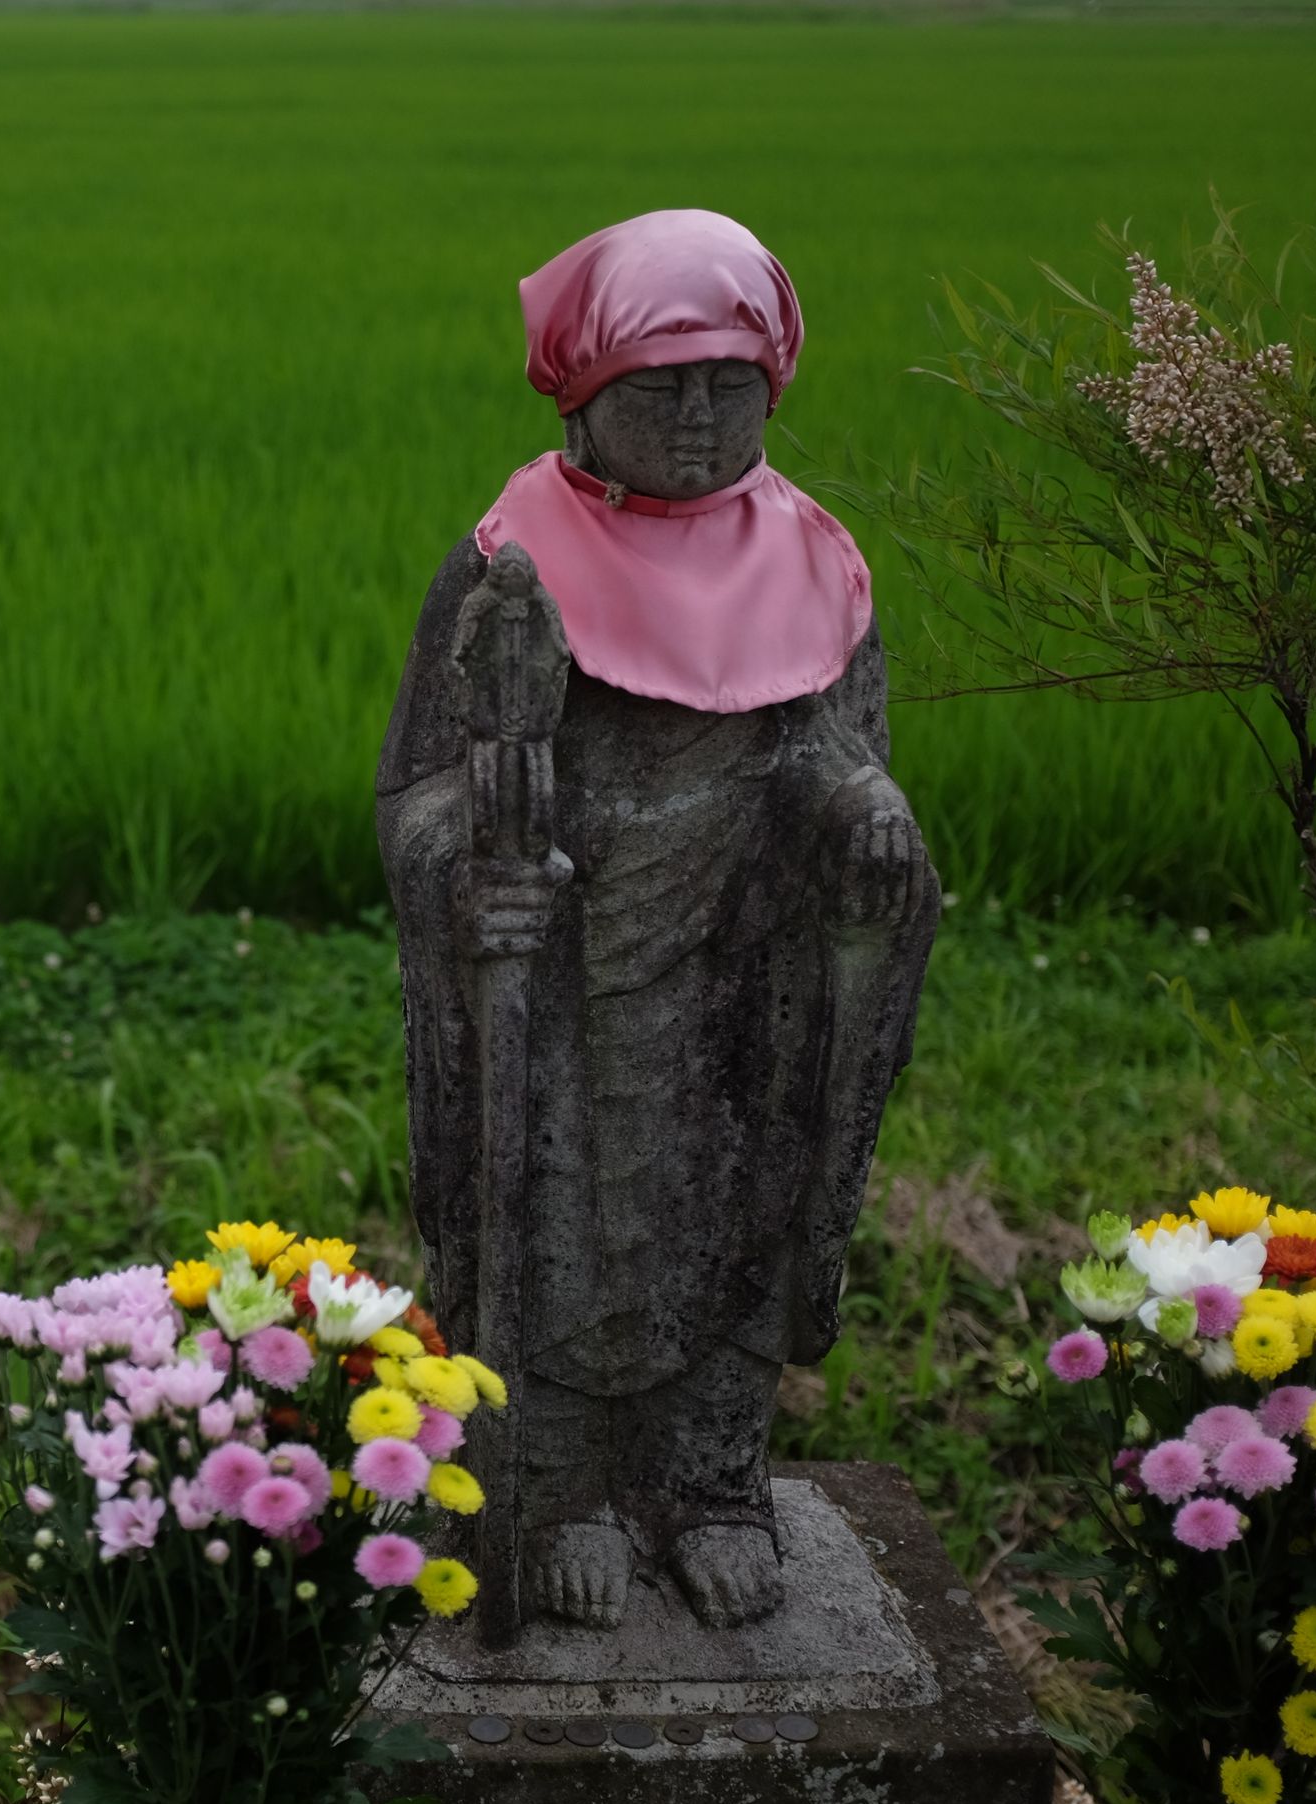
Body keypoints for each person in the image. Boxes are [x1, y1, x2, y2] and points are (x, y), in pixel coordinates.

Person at [376, 209, 938, 1631]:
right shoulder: (512, 566)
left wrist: (859, 818)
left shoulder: (813, 560)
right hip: (568, 979)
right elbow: (423, 790)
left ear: (777, 381)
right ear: (585, 394)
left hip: (749, 978)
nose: (697, 415)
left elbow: (830, 743)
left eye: (727, 382)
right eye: (662, 385)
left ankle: (711, 1485)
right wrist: (468, 867)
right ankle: (561, 1492)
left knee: (744, 1204)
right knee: (557, 1215)